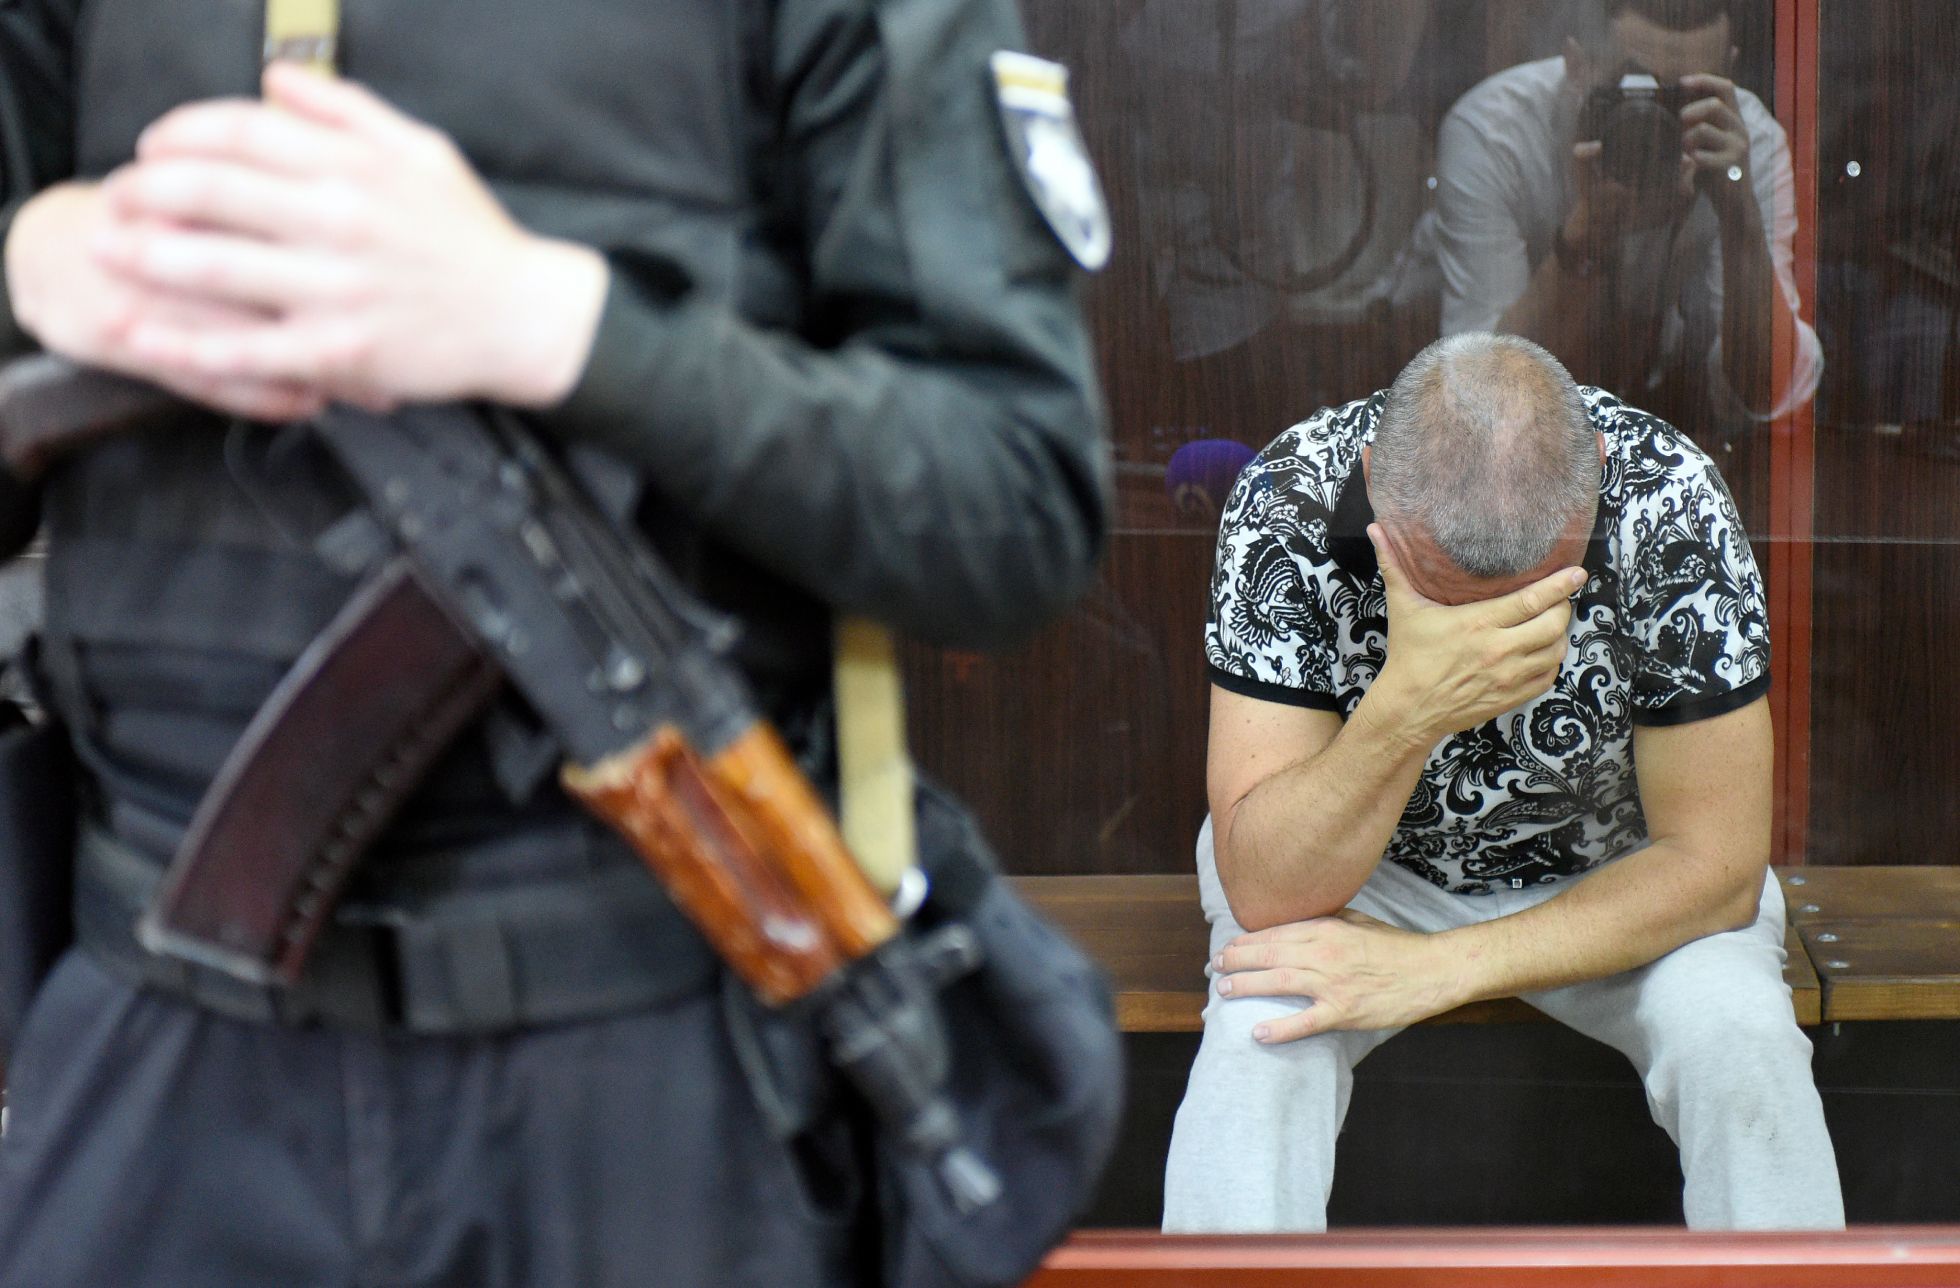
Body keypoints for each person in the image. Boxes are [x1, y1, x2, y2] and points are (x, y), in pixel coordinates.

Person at [0, 1, 1113, 1284]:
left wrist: (563, 326)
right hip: (163, 1072)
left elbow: (1012, 505)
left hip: (650, 1082)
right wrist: (30, 266)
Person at [1162, 331, 1843, 1232]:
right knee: (1258, 1049)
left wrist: (1442, 967)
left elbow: (1715, 868)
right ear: (1371, 478)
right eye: (1447, 591)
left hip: (1619, 878)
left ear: (1599, 468)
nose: (1491, 635)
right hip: (1363, 881)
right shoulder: (1289, 495)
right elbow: (1266, 883)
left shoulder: (1668, 494)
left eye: (1540, 587)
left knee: (1742, 1040)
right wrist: (1410, 705)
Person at [1432, 0, 1820, 448]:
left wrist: (1740, 215)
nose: (1655, 121)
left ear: (1727, 74)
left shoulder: (1744, 141)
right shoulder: (1497, 132)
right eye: (1632, 89)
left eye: (1681, 97)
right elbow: (1481, 395)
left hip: (1677, 417)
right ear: (1576, 66)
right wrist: (1585, 237)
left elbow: (1768, 392)